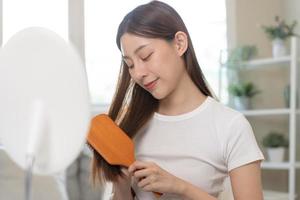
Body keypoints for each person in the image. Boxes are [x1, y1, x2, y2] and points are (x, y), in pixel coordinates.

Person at [89, 1, 265, 199]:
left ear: (180, 43)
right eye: (129, 64)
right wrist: (121, 186)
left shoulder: (231, 126)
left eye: (146, 56)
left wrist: (180, 186)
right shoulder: (131, 124)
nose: (138, 73)